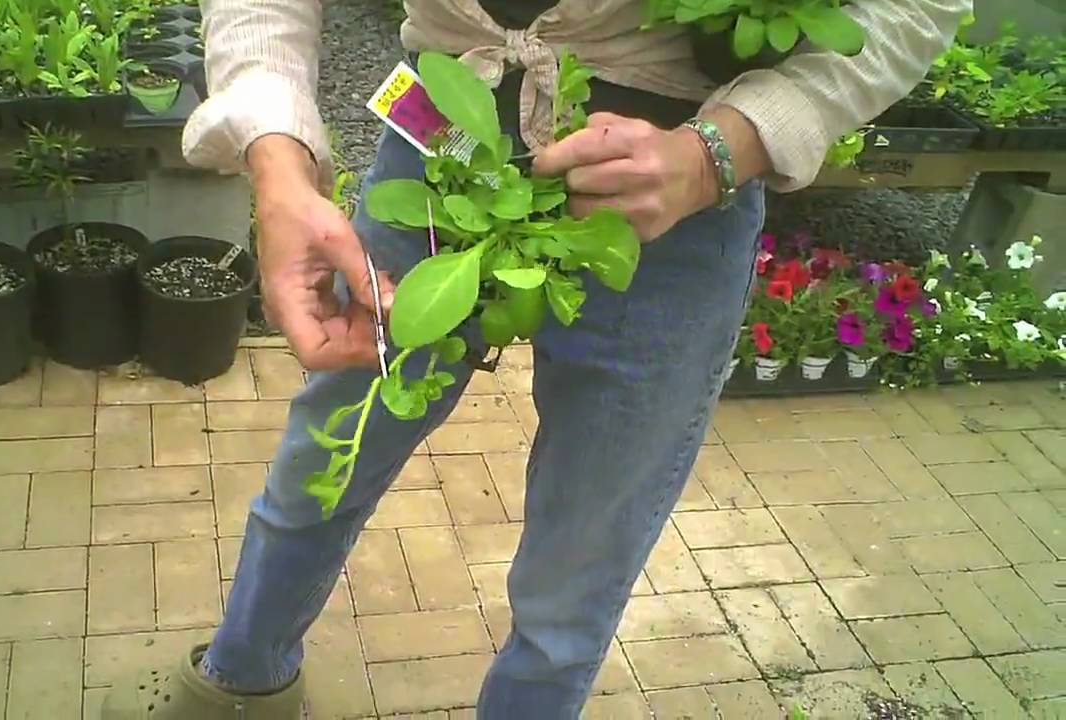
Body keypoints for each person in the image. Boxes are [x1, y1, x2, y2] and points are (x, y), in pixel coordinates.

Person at [102, 0, 970, 717]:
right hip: (441, 134)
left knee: (581, 556)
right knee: (326, 454)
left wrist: (726, 148)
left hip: (667, 179)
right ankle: (241, 682)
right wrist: (277, 164)